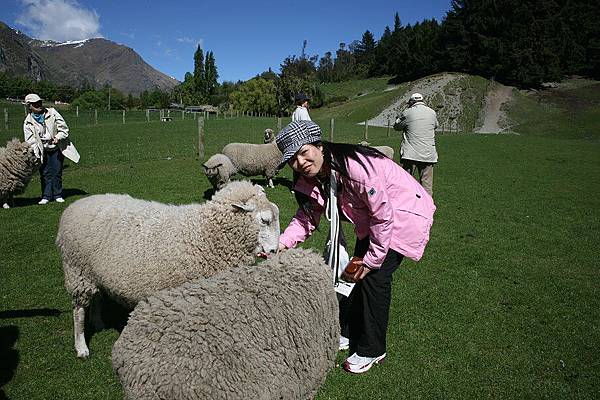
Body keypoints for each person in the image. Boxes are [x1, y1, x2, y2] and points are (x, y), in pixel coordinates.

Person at [275, 120, 436, 374]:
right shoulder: (314, 176)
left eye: (304, 152)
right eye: (293, 159)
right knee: (353, 274)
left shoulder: (356, 168)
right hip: (372, 220)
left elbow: (384, 216)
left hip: (403, 214)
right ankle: (348, 332)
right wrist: (281, 243)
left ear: (318, 145)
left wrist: (372, 260)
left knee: (374, 278)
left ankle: (373, 349)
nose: (301, 162)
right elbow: (307, 216)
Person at [23, 93, 79, 204]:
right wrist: (37, 151)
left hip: (56, 148)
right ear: (29, 106)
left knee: (57, 172)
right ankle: (46, 196)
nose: (38, 105)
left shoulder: (52, 113)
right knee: (45, 173)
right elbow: (30, 140)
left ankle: (58, 194)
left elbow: (64, 129)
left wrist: (58, 137)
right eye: (35, 104)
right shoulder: (28, 122)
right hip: (42, 150)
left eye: (39, 102)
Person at [393, 93, 438, 196]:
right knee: (426, 184)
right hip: (428, 154)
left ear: (411, 102)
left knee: (407, 183)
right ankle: (427, 207)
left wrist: (399, 117)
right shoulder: (432, 112)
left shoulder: (407, 112)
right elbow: (435, 125)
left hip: (411, 154)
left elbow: (397, 127)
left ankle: (407, 206)